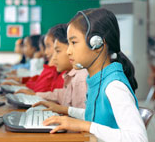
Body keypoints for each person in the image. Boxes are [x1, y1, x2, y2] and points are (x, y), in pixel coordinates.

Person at [34, 8, 148, 142]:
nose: (69, 51)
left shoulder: (114, 86)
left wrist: (84, 126)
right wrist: (65, 111)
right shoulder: (98, 79)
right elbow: (94, 117)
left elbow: (139, 138)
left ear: (97, 43)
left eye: (74, 42)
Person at [20, 24, 88, 108]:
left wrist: (50, 66)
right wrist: (35, 94)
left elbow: (82, 116)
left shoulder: (79, 78)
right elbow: (59, 95)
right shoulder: (67, 75)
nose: (46, 53)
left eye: (57, 51)